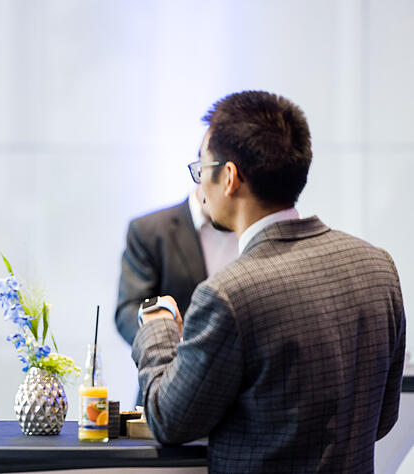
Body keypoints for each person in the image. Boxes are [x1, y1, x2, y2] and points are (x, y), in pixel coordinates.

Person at [132, 91, 405, 472]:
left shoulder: (229, 294)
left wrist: (158, 330)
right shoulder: (377, 265)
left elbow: (168, 420)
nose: (199, 187)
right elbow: (382, 419)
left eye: (202, 169)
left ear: (228, 177)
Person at [115, 189, 237, 347]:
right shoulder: (149, 230)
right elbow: (129, 311)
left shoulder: (254, 227)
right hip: (177, 362)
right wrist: (167, 345)